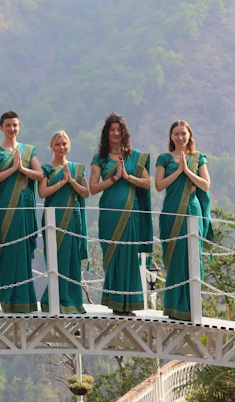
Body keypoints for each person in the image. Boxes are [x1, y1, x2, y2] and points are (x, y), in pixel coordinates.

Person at [90, 113, 152, 316]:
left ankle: (130, 305)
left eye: (119, 130)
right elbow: (93, 188)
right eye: (112, 130)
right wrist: (115, 178)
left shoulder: (136, 156)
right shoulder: (99, 158)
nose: (116, 133)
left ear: (124, 133)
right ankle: (116, 303)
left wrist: (127, 176)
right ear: (106, 133)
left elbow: (147, 183)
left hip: (130, 212)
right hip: (109, 213)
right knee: (114, 255)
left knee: (128, 256)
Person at [155, 120, 213, 321]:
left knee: (192, 256)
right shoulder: (164, 158)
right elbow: (159, 185)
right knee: (174, 257)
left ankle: (192, 306)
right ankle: (174, 307)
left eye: (183, 133)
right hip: (171, 212)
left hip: (191, 209)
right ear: (171, 137)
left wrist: (187, 171)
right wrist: (178, 171)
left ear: (189, 135)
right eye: (176, 134)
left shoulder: (199, 158)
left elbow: (205, 185)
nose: (180, 137)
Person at [0, 112, 43, 313]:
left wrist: (23, 169)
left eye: (15, 125)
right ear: (1, 127)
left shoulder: (28, 150)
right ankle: (7, 298)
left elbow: (40, 174)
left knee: (23, 251)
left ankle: (25, 299)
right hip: (4, 206)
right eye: (8, 125)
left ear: (19, 127)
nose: (12, 128)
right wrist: (12, 169)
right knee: (7, 249)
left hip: (24, 206)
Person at [39, 131, 89, 314]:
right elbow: (42, 193)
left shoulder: (76, 168)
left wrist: (72, 182)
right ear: (52, 146)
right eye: (58, 144)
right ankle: (54, 299)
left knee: (72, 259)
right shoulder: (47, 168)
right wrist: (61, 183)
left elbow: (85, 193)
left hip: (72, 218)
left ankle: (72, 302)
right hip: (54, 218)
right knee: (56, 258)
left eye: (64, 144)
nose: (61, 147)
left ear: (69, 145)